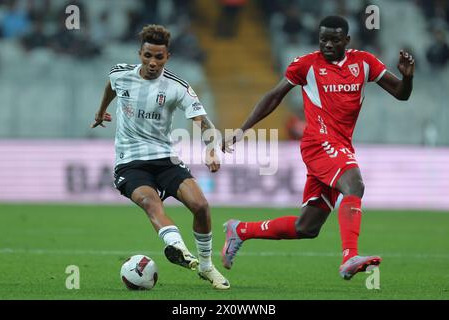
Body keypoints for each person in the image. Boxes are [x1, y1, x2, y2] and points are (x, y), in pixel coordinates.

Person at [221, 16, 414, 280]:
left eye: (334, 40)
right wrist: (241, 130)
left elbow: (401, 94)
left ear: (346, 40)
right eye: (323, 39)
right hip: (318, 143)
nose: (327, 45)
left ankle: (240, 229)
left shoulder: (364, 63)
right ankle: (349, 257)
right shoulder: (306, 65)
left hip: (340, 146)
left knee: (306, 227)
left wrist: (407, 78)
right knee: (354, 184)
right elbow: (274, 96)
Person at [91, 24, 229, 290]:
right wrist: (100, 112)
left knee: (200, 206)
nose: (152, 62)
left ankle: (205, 265)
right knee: (150, 203)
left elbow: (203, 121)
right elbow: (111, 86)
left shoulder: (178, 87)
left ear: (168, 57)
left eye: (159, 57)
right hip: (130, 161)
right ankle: (178, 248)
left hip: (165, 158)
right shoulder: (121, 75)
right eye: (147, 56)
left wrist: (211, 148)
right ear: (139, 54)